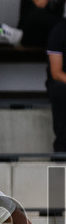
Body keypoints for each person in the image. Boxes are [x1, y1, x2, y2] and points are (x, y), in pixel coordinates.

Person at [47, 18, 66, 154]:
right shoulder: (60, 31)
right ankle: (61, 149)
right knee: (62, 90)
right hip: (61, 82)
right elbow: (56, 73)